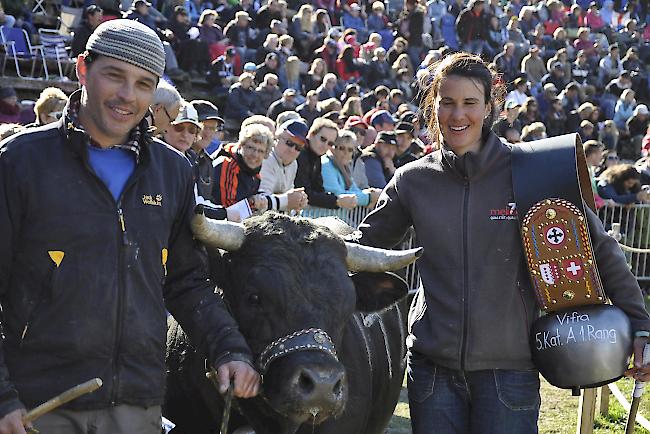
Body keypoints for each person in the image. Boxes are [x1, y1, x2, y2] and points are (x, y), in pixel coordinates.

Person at [352, 52, 650, 434]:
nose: (457, 115)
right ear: (433, 106)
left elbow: (600, 249)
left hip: (509, 374)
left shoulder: (534, 170)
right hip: (432, 372)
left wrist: (640, 327)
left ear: (491, 107)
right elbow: (364, 247)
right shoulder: (412, 181)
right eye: (447, 102)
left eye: (469, 103)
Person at [0, 19, 259, 434]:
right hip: (39, 405)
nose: (127, 96)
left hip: (137, 404)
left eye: (143, 84)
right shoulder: (19, 162)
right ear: (83, 69)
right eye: (114, 76)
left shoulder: (173, 171)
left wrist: (228, 347)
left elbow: (186, 282)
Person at [295, 118, 357, 210]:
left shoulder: (317, 156)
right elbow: (305, 192)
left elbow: (319, 189)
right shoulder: (301, 154)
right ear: (311, 135)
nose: (325, 145)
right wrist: (336, 200)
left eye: (330, 143)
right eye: (323, 139)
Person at [258, 119, 309, 212]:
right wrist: (288, 200)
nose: (293, 150)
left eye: (298, 148)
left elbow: (288, 197)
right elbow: (262, 201)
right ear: (276, 137)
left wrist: (299, 201)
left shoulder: (294, 164)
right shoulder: (266, 158)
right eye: (289, 143)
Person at [322, 130, 381, 209]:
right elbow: (338, 194)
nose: (346, 153)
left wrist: (371, 193)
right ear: (333, 149)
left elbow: (355, 190)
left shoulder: (345, 169)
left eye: (350, 150)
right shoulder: (326, 164)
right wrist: (369, 197)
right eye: (342, 148)